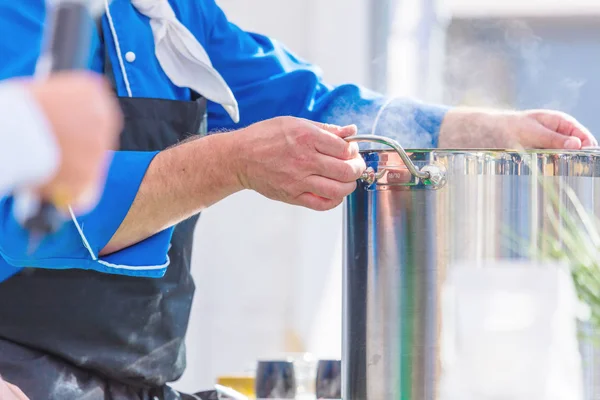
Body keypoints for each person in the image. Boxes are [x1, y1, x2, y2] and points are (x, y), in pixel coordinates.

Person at [0, 1, 595, 399]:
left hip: (135, 379)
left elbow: (308, 102)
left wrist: (477, 131)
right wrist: (229, 161)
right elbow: (21, 213)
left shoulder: (173, 13)